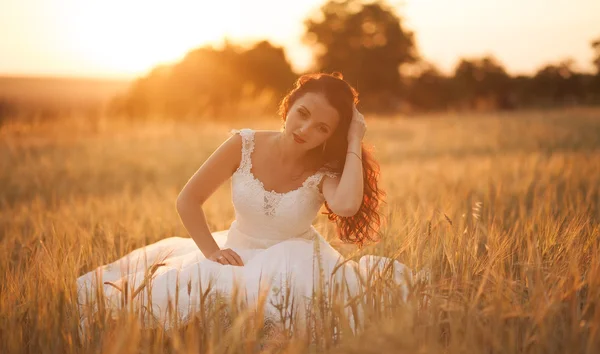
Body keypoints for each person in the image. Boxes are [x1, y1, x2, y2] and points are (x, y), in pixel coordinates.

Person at [77, 72, 410, 328]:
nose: (306, 128)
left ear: (330, 136)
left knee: (299, 319)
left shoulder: (323, 171)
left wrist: (354, 140)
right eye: (302, 113)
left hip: (294, 263)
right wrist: (211, 252)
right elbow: (188, 199)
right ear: (288, 105)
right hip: (234, 255)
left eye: (322, 128)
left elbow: (347, 206)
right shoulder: (244, 144)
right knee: (155, 302)